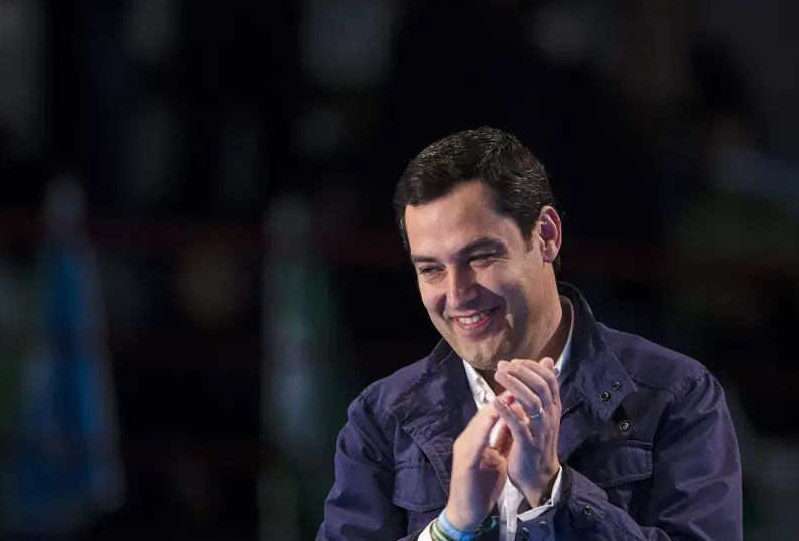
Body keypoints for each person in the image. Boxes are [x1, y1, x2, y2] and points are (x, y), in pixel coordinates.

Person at [317, 128, 742, 541]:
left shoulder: (677, 395)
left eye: (480, 257)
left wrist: (553, 490)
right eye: (431, 269)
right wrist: (450, 529)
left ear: (547, 237)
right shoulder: (379, 418)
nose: (457, 294)